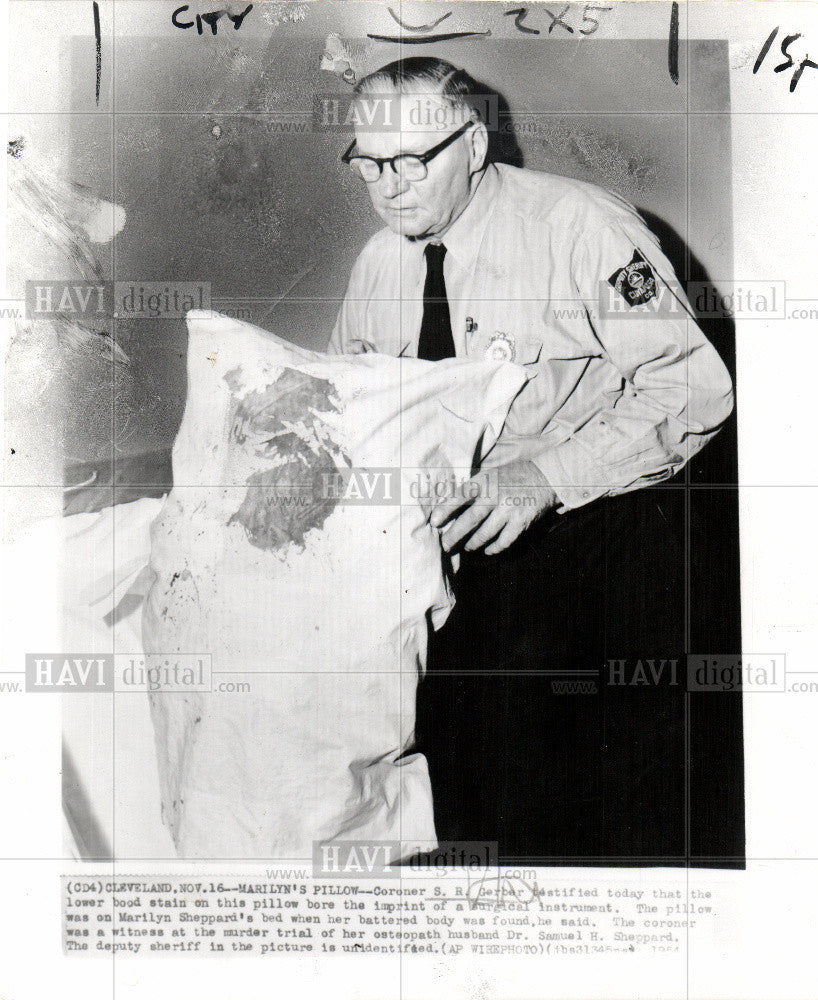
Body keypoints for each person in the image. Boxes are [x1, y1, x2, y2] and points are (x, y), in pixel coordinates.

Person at [327, 57, 737, 865]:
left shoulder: (580, 226)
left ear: (474, 144)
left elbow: (696, 387)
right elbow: (351, 403)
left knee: (595, 815)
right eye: (370, 161)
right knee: (472, 798)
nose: (390, 185)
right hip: (461, 559)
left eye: (414, 159)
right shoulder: (380, 262)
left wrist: (546, 476)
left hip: (598, 539)